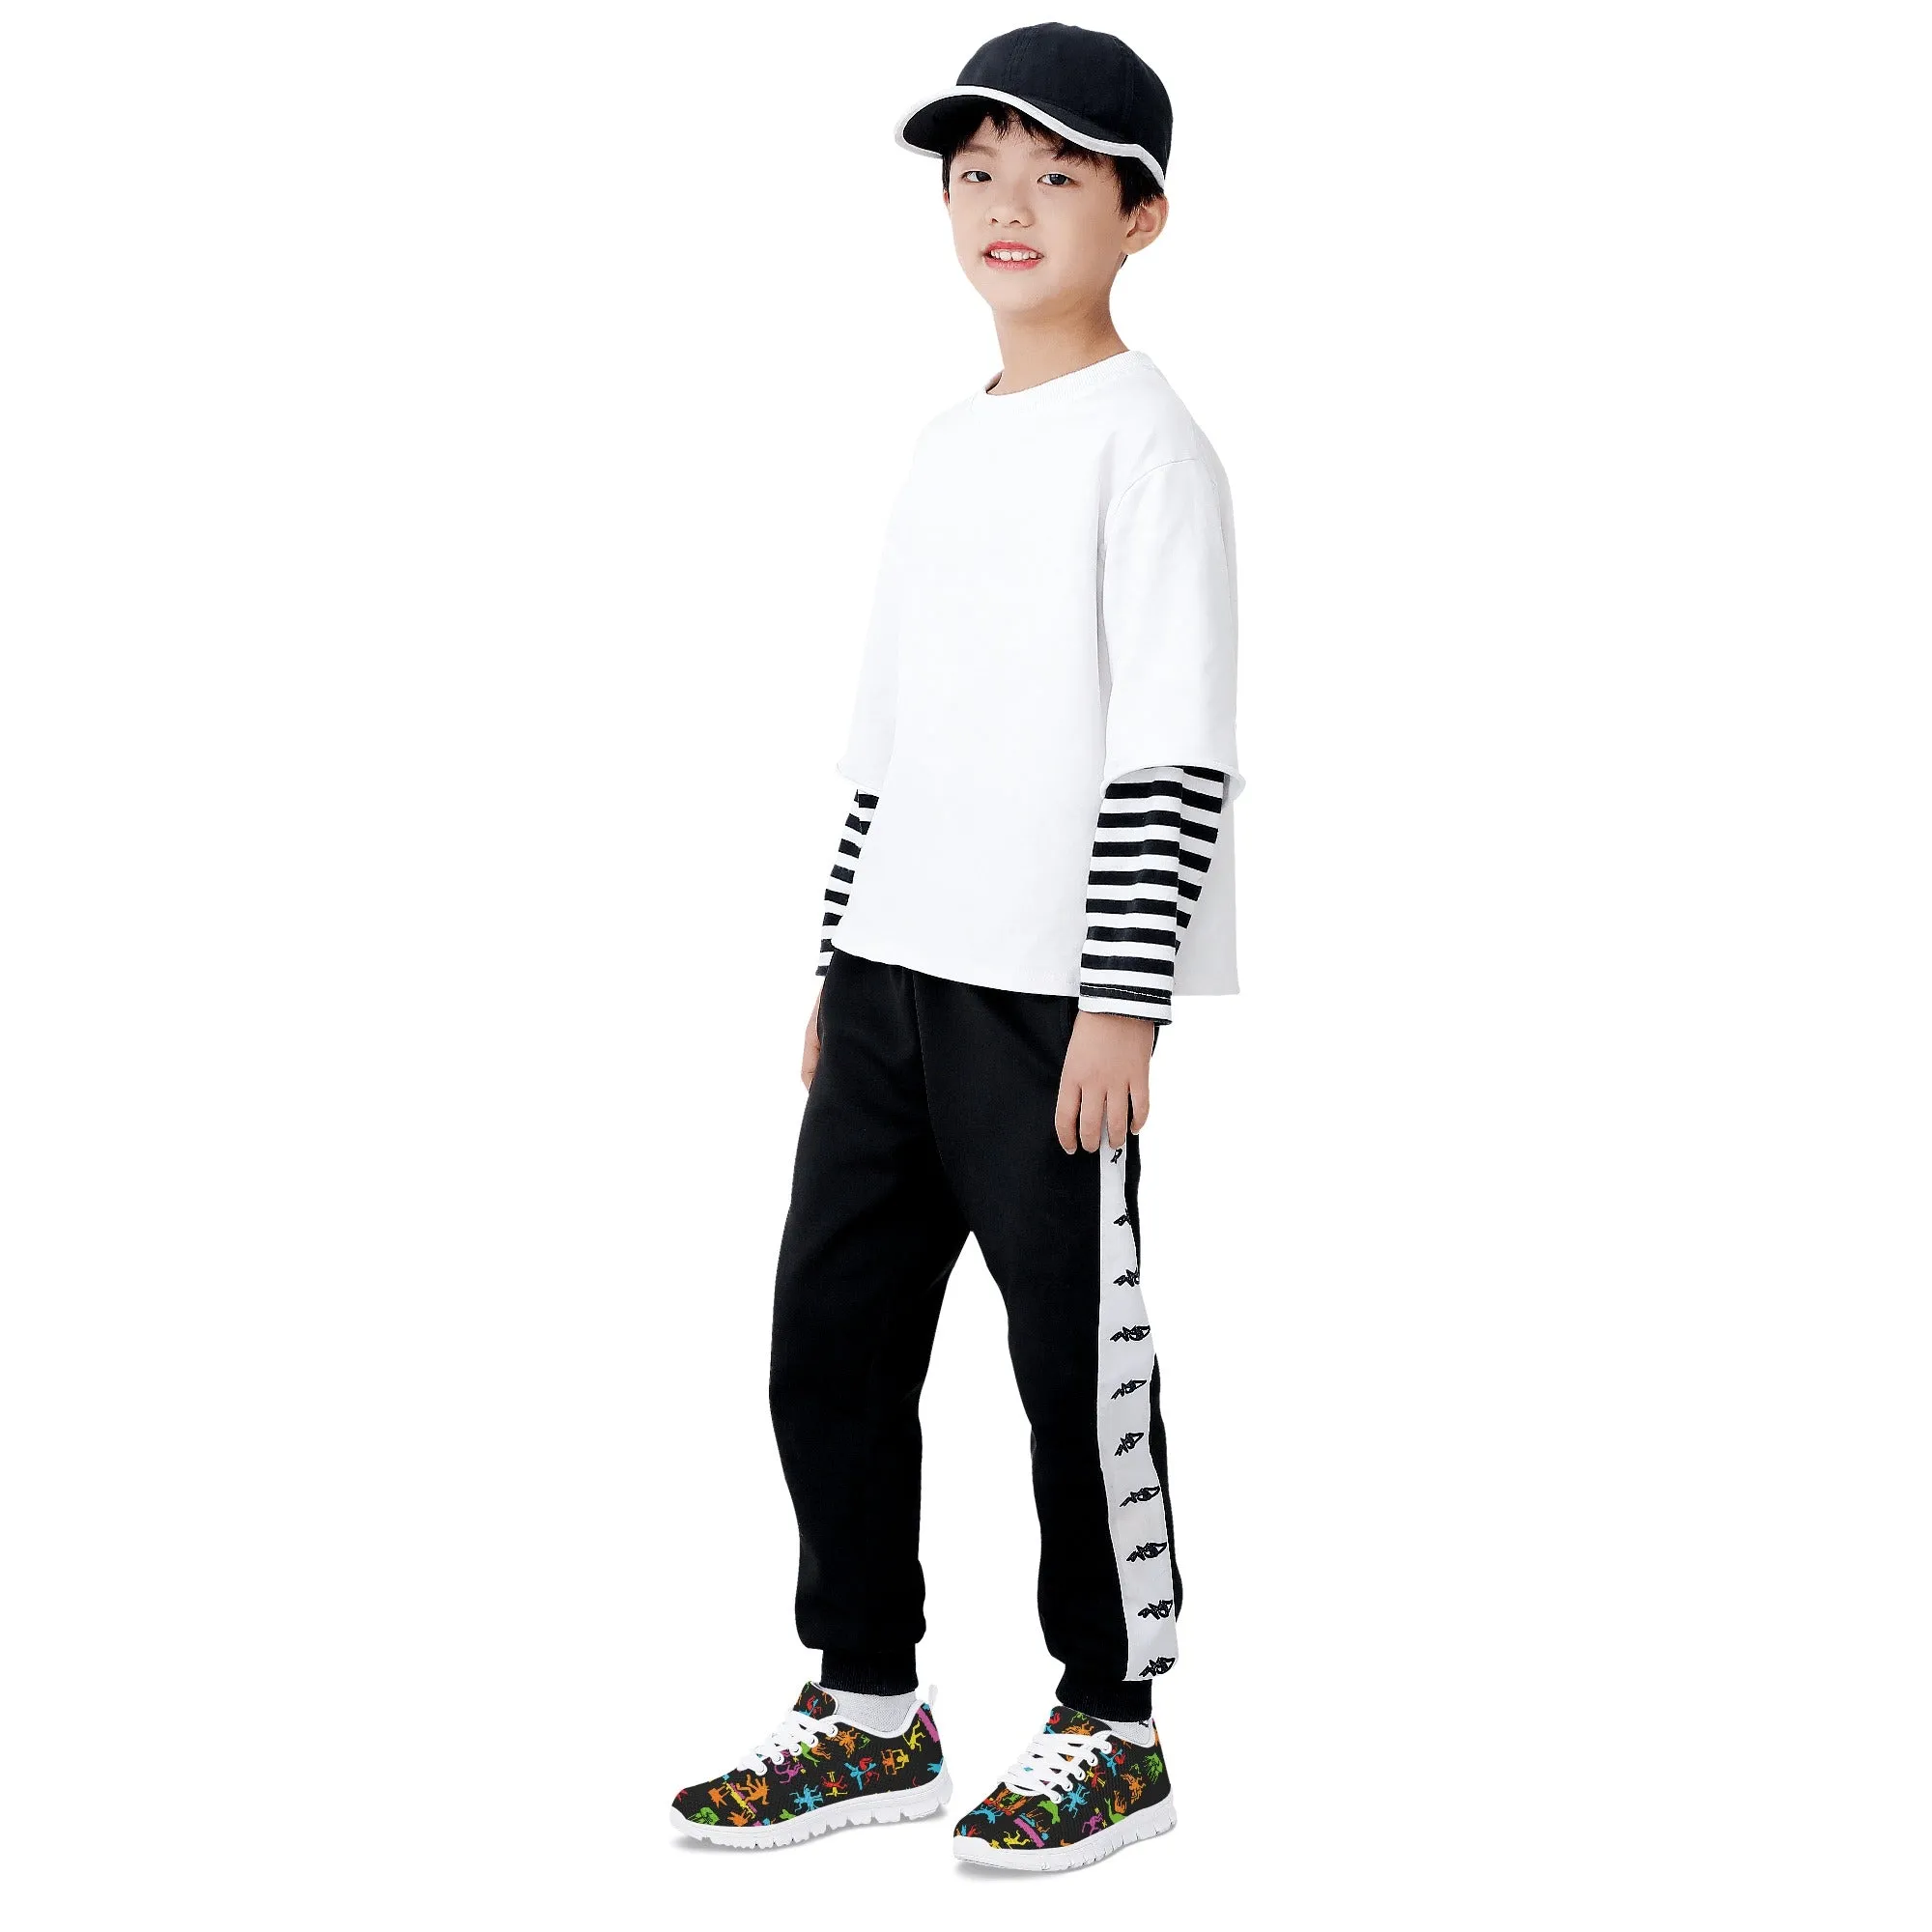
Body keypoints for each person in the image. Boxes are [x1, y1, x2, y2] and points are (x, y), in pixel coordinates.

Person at [668, 23, 1245, 1872]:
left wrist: (1125, 1000)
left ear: (1140, 217)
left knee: (1074, 1364)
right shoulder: (944, 444)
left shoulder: (1149, 446)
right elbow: (888, 736)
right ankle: (869, 1706)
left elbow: (1173, 743)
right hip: (890, 984)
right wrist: (834, 963)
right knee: (826, 1337)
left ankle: (1112, 1722)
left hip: (1049, 1003)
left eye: (1058, 176)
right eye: (978, 172)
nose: (1009, 205)